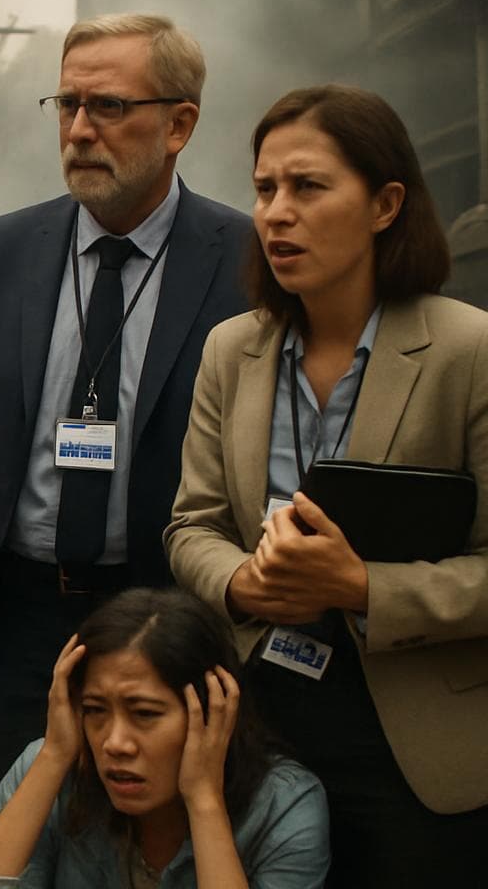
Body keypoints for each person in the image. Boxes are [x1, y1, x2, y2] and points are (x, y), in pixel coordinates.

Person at [0, 13, 252, 824]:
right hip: (15, 617)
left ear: (180, 124)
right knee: (9, 843)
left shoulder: (242, 259)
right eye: (66, 106)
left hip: (164, 611)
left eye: (109, 108)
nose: (81, 131)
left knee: (145, 847)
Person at [165, 84, 488, 885]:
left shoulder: (468, 352)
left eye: (308, 187)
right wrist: (242, 583)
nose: (276, 213)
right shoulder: (230, 351)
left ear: (385, 203)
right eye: (265, 189)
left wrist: (362, 586)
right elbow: (191, 525)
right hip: (260, 720)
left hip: (418, 744)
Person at [0, 588, 329, 887]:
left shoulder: (283, 804)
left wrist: (204, 801)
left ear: (213, 710)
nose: (115, 743)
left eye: (145, 714)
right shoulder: (52, 766)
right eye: (95, 710)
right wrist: (53, 757)